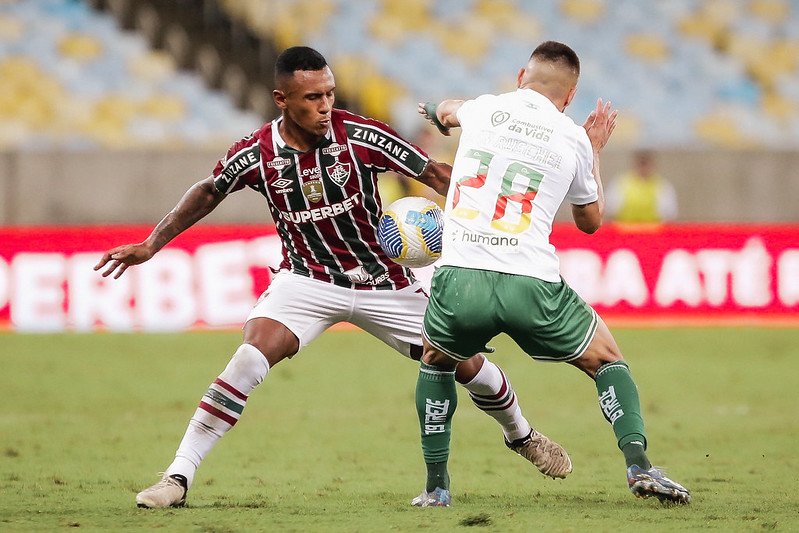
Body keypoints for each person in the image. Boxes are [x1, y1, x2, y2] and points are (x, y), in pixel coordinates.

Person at [94, 46, 571, 509]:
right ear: (282, 100)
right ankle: (177, 476)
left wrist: (499, 222)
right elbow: (208, 190)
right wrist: (151, 244)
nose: (326, 107)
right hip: (308, 280)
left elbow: (438, 174)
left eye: (330, 94)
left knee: (465, 365)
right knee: (247, 357)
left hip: (383, 281)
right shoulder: (257, 153)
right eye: (312, 98)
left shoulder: (362, 135)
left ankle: (521, 435)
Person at [416, 41, 691, 504]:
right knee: (606, 360)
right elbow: (590, 221)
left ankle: (436, 488)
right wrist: (596, 149)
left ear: (522, 74)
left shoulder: (484, 108)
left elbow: (445, 110)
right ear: (571, 95)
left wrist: (429, 108)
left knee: (436, 362)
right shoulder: (574, 137)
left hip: (461, 275)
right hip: (531, 282)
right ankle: (639, 465)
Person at [606, 149, 677, 224]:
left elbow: (669, 213)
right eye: (641, 164)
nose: (644, 168)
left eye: (646, 164)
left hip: (653, 232)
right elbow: (610, 209)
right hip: (626, 231)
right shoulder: (620, 183)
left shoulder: (662, 186)